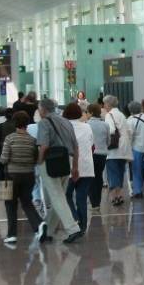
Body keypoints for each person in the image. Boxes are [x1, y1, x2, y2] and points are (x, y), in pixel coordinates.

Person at [36, 97, 83, 244]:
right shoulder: (65, 121)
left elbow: (43, 146)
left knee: (57, 197)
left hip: (50, 162)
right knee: (60, 196)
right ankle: (48, 230)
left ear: (43, 109)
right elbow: (76, 147)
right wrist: (75, 167)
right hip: (66, 161)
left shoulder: (44, 123)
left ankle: (73, 228)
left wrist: (38, 162)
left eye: (39, 108)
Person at [0, 110, 45, 245]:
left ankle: (12, 235)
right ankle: (39, 225)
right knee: (26, 202)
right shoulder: (32, 140)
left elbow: (4, 159)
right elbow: (36, 159)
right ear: (27, 123)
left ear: (15, 123)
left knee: (10, 204)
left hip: (12, 175)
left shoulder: (10, 138)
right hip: (28, 176)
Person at [63, 102, 95, 232]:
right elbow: (92, 144)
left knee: (66, 195)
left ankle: (75, 218)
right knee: (82, 197)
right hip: (87, 167)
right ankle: (83, 226)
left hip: (69, 167)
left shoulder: (64, 127)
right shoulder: (87, 127)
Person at [103, 95, 132, 207]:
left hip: (114, 148)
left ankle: (115, 196)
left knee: (112, 171)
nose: (104, 106)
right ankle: (120, 194)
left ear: (109, 104)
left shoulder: (109, 115)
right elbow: (129, 131)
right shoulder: (121, 115)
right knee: (120, 172)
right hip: (124, 148)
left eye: (105, 104)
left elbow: (111, 130)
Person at [129, 99, 144, 198]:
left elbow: (129, 136)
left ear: (130, 110)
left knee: (136, 171)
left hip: (137, 148)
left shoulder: (130, 120)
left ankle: (138, 191)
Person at [87, 103, 109, 214]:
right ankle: (98, 202)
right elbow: (108, 141)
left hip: (90, 154)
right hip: (102, 154)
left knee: (91, 177)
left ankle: (93, 202)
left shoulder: (87, 124)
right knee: (99, 177)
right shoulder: (105, 125)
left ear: (90, 113)